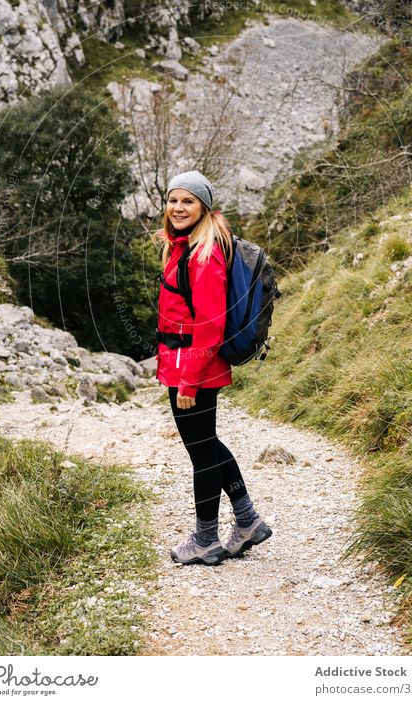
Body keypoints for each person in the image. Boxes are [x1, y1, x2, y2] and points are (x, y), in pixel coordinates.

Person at [152, 170, 273, 566]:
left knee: (201, 453)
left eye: (188, 201)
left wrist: (188, 382)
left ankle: (206, 539)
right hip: (188, 364)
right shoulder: (185, 247)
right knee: (209, 446)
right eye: (173, 200)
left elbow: (209, 325)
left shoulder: (203, 255)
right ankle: (248, 520)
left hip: (194, 367)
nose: (178, 207)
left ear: (204, 206)